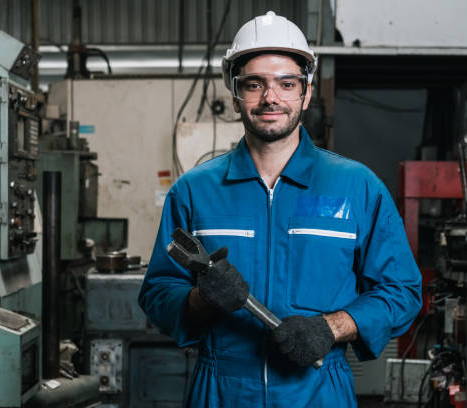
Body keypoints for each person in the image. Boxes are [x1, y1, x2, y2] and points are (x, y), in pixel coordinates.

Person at [138, 11, 422, 407]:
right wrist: (201, 300)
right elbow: (157, 294)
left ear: (305, 94)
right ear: (235, 96)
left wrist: (331, 327)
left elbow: (402, 291)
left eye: (286, 84)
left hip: (319, 391)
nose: (270, 98)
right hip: (221, 390)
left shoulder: (356, 187)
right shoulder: (194, 191)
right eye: (254, 84)